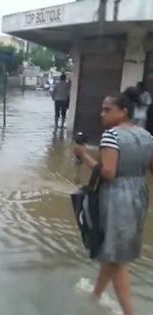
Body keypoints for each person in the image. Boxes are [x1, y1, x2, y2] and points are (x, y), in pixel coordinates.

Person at [74, 94, 153, 315]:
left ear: (123, 111)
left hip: (117, 198)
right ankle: (96, 295)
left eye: (107, 110)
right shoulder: (147, 135)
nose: (102, 114)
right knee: (113, 249)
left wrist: (84, 155)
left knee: (117, 259)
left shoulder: (111, 135)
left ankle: (129, 312)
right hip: (139, 196)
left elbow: (108, 172)